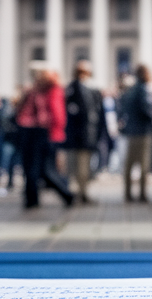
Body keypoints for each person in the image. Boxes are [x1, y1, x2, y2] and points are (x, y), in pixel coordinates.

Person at [17, 65, 74, 208]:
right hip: (43, 132)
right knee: (42, 168)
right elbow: (57, 115)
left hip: (36, 131)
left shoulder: (39, 90)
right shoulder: (50, 90)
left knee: (37, 168)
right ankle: (61, 194)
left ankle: (35, 198)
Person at [63, 60, 105, 203]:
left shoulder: (90, 89)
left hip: (87, 134)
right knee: (79, 166)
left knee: (85, 166)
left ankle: (82, 191)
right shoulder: (74, 88)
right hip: (80, 135)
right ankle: (81, 193)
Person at [118, 64, 152, 202]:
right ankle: (142, 193)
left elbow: (122, 108)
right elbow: (147, 109)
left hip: (131, 130)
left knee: (129, 163)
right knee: (143, 164)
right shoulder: (144, 90)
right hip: (144, 131)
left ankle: (128, 193)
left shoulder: (130, 90)